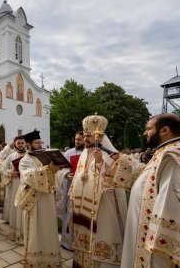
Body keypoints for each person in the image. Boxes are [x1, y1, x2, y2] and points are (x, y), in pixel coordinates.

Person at [122, 114, 180, 268]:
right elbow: (149, 181)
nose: (144, 133)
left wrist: (163, 243)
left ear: (164, 130)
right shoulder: (170, 151)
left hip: (158, 250)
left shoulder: (175, 156)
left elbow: (174, 205)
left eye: (148, 128)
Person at [70, 115, 127, 268]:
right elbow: (79, 175)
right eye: (85, 135)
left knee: (102, 234)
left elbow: (118, 179)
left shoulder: (111, 154)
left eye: (90, 136)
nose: (86, 138)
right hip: (83, 206)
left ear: (101, 137)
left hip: (103, 206)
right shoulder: (84, 153)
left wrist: (102, 162)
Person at [15, 130, 62, 267]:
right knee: (35, 228)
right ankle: (35, 260)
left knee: (48, 227)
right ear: (29, 145)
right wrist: (49, 169)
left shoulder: (44, 156)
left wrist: (56, 170)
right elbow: (29, 176)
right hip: (34, 200)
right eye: (36, 143)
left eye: (40, 142)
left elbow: (54, 175)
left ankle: (50, 258)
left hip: (47, 198)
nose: (39, 145)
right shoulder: (25, 160)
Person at [56, 131, 84, 251]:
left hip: (83, 188)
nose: (77, 141)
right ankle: (66, 242)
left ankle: (80, 243)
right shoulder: (68, 153)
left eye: (80, 139)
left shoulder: (88, 153)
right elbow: (59, 169)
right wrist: (66, 174)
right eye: (76, 139)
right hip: (69, 187)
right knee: (69, 213)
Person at [1, 135, 27, 244]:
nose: (20, 145)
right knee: (15, 207)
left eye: (22, 143)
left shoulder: (30, 156)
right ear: (15, 144)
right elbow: (3, 169)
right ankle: (15, 233)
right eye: (18, 143)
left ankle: (26, 234)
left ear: (25, 143)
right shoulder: (11, 157)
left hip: (26, 186)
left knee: (25, 208)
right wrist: (10, 173)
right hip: (15, 186)